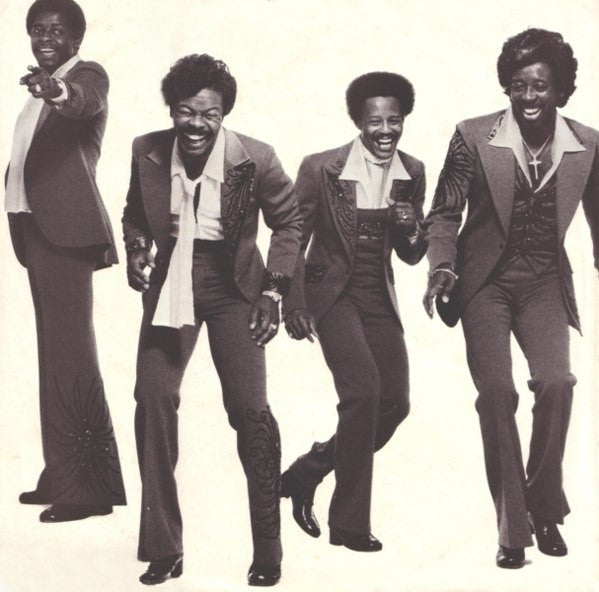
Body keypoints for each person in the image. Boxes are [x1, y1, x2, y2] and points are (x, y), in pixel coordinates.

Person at [122, 53, 301, 587]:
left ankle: (268, 551)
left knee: (251, 413)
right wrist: (137, 247)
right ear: (171, 110)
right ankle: (164, 548)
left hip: (236, 285)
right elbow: (135, 212)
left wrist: (273, 292)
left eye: (210, 114)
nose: (196, 124)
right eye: (186, 111)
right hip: (172, 282)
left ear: (224, 115)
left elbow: (289, 224)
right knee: (153, 398)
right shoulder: (147, 150)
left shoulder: (257, 158)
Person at [423, 28, 599, 569]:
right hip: (484, 282)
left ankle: (543, 505)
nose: (527, 96)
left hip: (544, 280)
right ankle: (512, 526)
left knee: (557, 382)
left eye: (539, 86)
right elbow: (444, 211)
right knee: (497, 393)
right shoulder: (473, 136)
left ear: (560, 89)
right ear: (506, 85)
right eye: (518, 85)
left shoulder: (588, 144)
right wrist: (442, 266)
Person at [281, 72, 427, 552]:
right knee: (363, 393)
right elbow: (293, 236)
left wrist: (412, 228)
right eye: (374, 122)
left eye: (394, 120)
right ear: (358, 122)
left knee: (395, 404)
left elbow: (411, 255)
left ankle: (307, 472)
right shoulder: (322, 168)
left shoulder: (412, 171)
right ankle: (348, 524)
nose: (385, 131)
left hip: (378, 296)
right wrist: (292, 301)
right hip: (331, 294)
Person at [4, 0, 126, 522]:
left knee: (71, 353)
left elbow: (81, 101)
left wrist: (55, 89)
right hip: (37, 232)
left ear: (76, 38)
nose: (45, 38)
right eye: (37, 30)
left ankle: (88, 491)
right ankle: (62, 473)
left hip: (66, 236)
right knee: (55, 354)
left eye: (56, 30)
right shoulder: (37, 88)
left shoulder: (85, 76)